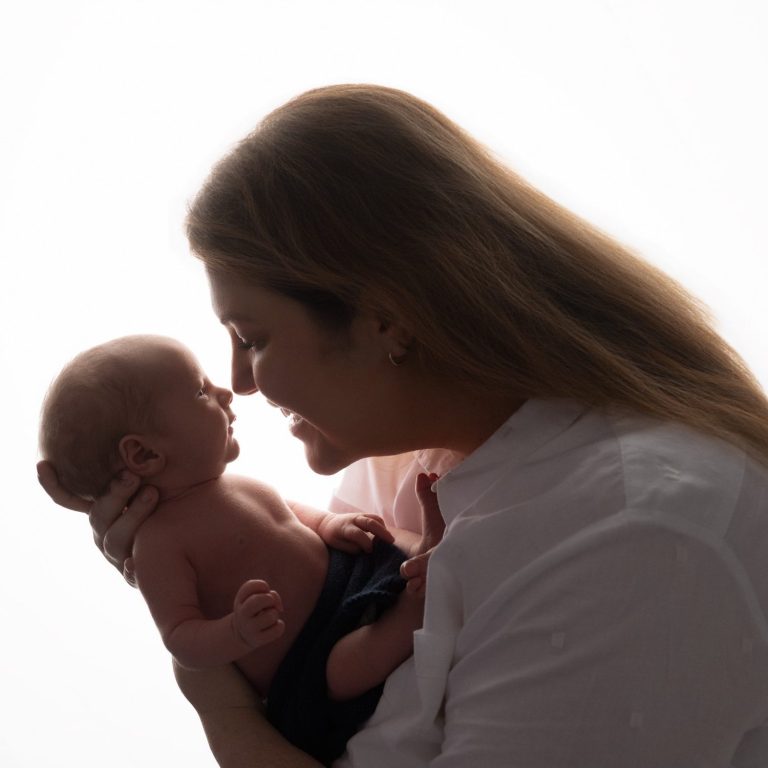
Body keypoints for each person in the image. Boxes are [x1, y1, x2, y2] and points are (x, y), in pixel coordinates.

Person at [38, 84, 768, 767]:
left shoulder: (636, 541)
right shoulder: (394, 475)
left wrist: (217, 700)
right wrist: (189, 597)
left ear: (386, 319)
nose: (240, 383)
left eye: (253, 337)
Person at [38, 334, 442, 765]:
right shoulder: (158, 543)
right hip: (306, 661)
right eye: (200, 390)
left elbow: (291, 516)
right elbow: (180, 637)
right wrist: (235, 632)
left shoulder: (236, 485)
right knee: (342, 671)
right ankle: (409, 617)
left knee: (384, 552)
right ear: (144, 453)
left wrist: (334, 524)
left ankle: (426, 555)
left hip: (347, 584)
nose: (224, 391)